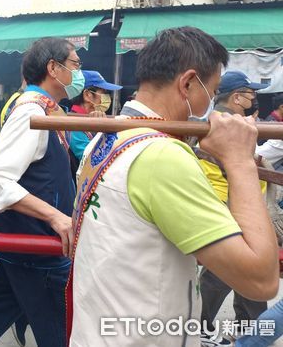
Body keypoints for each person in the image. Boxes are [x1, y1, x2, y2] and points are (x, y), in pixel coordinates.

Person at [69, 27, 279, 346]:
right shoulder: (161, 155)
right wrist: (240, 162)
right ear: (188, 83)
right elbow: (261, 280)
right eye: (213, 91)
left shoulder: (107, 136)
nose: (214, 104)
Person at [0, 37, 85, 347]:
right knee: (60, 336)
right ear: (54, 67)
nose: (79, 72)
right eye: (75, 64)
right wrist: (55, 217)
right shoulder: (30, 113)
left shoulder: (46, 110)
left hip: (28, 249)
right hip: (38, 250)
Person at [196, 71, 269, 343]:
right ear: (237, 97)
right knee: (231, 271)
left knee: (231, 271)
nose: (255, 99)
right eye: (252, 94)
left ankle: (244, 329)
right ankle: (239, 330)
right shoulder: (228, 124)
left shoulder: (223, 121)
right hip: (230, 203)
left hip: (229, 202)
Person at [68, 70, 122, 160]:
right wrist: (103, 131)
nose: (108, 97)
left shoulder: (88, 119)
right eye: (104, 92)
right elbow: (90, 159)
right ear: (87, 95)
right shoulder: (73, 124)